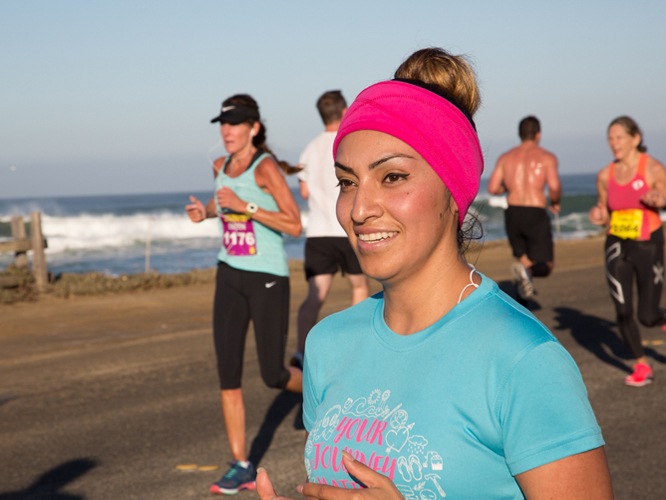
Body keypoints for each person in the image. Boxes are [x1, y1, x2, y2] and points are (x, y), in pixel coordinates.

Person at [256, 48, 612, 499]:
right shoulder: (327, 343)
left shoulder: (523, 360)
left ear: (452, 187)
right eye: (347, 182)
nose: (359, 209)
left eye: (392, 177)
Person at [185, 94, 303, 494]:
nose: (227, 131)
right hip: (229, 274)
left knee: (273, 374)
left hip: (267, 277)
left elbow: (294, 224)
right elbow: (224, 203)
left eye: (235, 123)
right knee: (228, 372)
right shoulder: (220, 165)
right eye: (223, 123)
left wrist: (245, 205)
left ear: (254, 127)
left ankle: (319, 392)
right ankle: (241, 465)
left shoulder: (265, 166)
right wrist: (207, 212)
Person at [292, 91, 370, 368]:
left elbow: (303, 191)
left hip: (318, 232)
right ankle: (355, 348)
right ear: (345, 110)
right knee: (359, 286)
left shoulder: (309, 148)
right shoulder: (350, 142)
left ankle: (301, 353)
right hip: (347, 228)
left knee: (315, 296)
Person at [588, 116, 666, 387]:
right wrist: (598, 215)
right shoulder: (605, 175)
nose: (614, 143)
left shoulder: (652, 168)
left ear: (635, 138)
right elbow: (604, 212)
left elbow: (663, 194)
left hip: (647, 244)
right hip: (616, 243)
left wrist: (658, 198)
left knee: (648, 315)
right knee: (622, 310)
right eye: (610, 138)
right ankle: (642, 365)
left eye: (619, 137)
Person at [487, 116, 561, 301]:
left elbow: (493, 188)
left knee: (524, 260)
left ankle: (522, 302)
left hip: (513, 213)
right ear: (538, 135)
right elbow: (554, 187)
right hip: (535, 212)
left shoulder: (505, 158)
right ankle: (527, 273)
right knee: (546, 266)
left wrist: (509, 187)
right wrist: (555, 202)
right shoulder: (546, 157)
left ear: (520, 134)